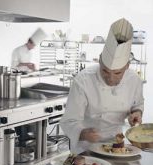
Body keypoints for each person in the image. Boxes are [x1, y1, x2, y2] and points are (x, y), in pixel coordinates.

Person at [60, 18, 144, 153]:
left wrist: (137, 113)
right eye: (105, 70)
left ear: (127, 66)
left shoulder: (134, 80)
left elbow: (138, 104)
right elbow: (68, 121)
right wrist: (83, 133)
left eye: (117, 73)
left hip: (118, 145)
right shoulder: (83, 80)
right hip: (86, 149)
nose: (110, 78)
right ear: (99, 60)